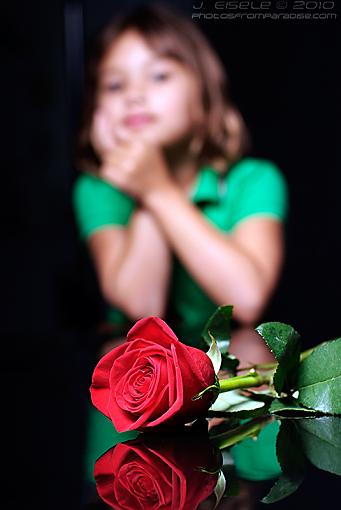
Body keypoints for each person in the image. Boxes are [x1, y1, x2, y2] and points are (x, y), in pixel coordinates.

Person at [73, 2, 288, 354]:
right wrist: (145, 192)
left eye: (159, 76)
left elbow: (247, 299)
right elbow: (143, 307)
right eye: (114, 85)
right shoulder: (97, 190)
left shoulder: (253, 180)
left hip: (238, 375)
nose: (134, 96)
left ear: (203, 96)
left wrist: (157, 189)